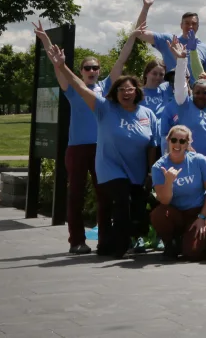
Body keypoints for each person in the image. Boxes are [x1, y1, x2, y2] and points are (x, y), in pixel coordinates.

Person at [45, 42, 160, 259]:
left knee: (123, 204)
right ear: (115, 93)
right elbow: (78, 86)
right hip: (103, 161)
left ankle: (109, 243)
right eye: (122, 90)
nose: (126, 93)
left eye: (130, 89)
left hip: (133, 168)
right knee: (113, 200)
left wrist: (151, 171)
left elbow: (152, 144)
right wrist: (60, 65)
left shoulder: (146, 113)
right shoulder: (103, 106)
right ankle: (104, 244)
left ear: (137, 91)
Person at [34, 21, 132, 255]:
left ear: (99, 70)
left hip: (102, 150)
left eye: (95, 67)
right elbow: (58, 65)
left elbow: (121, 60)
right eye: (87, 68)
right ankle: (76, 241)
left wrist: (136, 30)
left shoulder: (108, 87)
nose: (91, 71)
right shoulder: (73, 89)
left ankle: (105, 241)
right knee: (76, 195)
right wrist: (46, 40)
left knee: (104, 195)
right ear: (81, 72)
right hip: (77, 148)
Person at [150, 125, 206, 260]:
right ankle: (171, 242)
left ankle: (194, 241)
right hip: (175, 212)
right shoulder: (158, 167)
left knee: (192, 253)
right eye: (174, 140)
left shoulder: (199, 160)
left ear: (187, 144)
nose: (177, 144)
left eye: (182, 141)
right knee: (158, 214)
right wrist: (169, 181)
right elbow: (164, 201)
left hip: (196, 213)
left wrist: (202, 217)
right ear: (168, 141)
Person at [138, 0, 206, 83]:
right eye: (187, 23)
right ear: (181, 25)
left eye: (194, 24)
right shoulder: (169, 40)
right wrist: (146, 7)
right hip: (169, 93)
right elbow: (141, 34)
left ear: (198, 26)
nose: (190, 26)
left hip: (193, 95)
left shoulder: (204, 49)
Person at [167, 46, 206, 174]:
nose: (201, 96)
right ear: (192, 92)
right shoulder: (184, 104)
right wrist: (181, 60)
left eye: (205, 93)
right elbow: (180, 85)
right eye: (197, 92)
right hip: (187, 159)